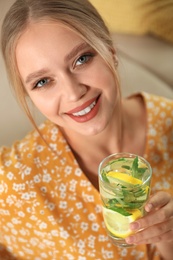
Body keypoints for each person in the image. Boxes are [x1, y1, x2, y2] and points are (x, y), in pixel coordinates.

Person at [0, 0, 173, 259]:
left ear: (111, 52)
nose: (73, 93)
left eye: (82, 59)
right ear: (28, 95)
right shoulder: (14, 183)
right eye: (43, 81)